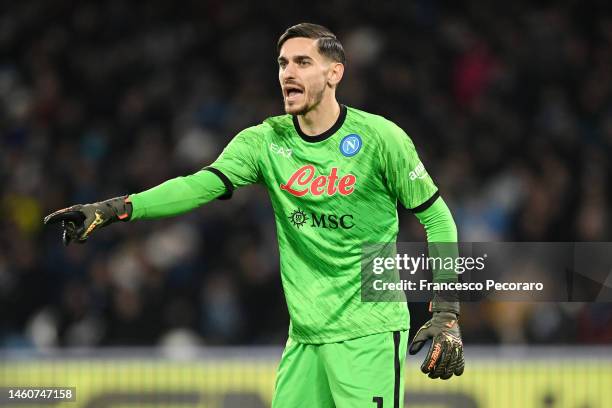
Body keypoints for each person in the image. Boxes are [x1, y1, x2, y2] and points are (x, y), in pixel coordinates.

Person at [45, 23, 464, 408]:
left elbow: (438, 219)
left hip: (368, 333)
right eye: (283, 63)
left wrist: (446, 310)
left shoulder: (381, 139)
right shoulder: (265, 141)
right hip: (305, 338)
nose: (288, 73)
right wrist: (115, 209)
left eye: (303, 62)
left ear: (334, 73)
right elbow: (198, 185)